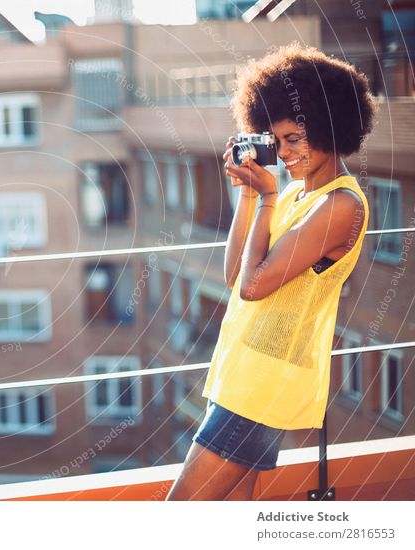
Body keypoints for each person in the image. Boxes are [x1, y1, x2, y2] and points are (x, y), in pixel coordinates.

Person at [166, 43, 376, 500]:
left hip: (265, 386)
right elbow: (234, 274)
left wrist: (267, 198)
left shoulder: (340, 205)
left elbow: (254, 286)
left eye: (294, 139)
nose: (283, 155)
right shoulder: (300, 196)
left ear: (331, 129)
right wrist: (248, 193)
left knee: (181, 510)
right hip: (244, 374)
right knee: (238, 510)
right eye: (275, 141)